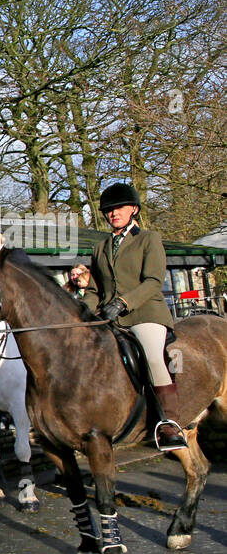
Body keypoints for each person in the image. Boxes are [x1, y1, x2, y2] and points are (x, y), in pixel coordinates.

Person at [81, 182, 186, 450]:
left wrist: (124, 302)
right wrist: (82, 312)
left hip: (144, 312)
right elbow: (94, 289)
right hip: (110, 316)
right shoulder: (100, 247)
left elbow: (153, 281)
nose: (113, 213)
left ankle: (170, 424)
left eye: (118, 208)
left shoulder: (149, 239)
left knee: (152, 355)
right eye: (108, 210)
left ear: (134, 210)